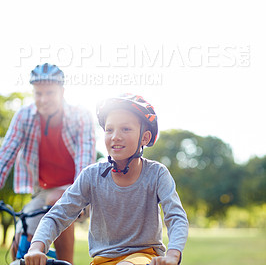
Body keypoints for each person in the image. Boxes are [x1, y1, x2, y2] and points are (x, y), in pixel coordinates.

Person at [24, 93, 189, 265]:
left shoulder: (157, 174)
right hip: (101, 260)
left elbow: (176, 217)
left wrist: (173, 254)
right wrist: (36, 247)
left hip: (144, 256)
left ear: (145, 138)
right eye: (109, 130)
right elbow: (57, 215)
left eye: (125, 129)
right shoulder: (91, 175)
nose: (115, 136)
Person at [0, 63, 96, 264]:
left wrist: (77, 195)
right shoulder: (24, 116)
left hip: (76, 187)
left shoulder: (81, 116)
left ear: (62, 91)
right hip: (42, 191)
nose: (43, 99)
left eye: (50, 93)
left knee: (58, 202)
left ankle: (66, 261)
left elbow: (85, 163)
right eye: (38, 93)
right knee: (19, 244)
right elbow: (5, 156)